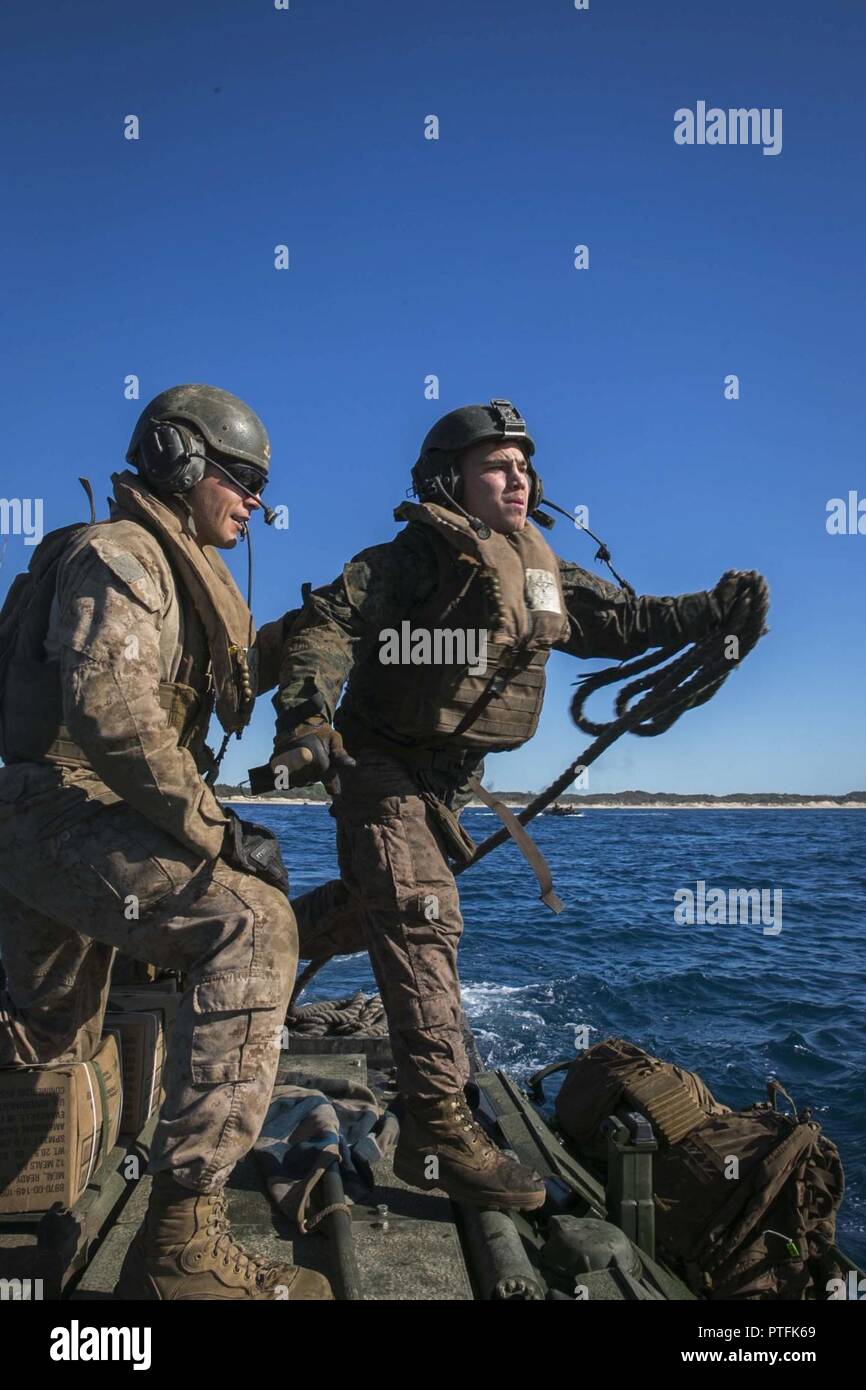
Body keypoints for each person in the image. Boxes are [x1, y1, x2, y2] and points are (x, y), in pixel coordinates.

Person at [269, 399, 764, 1211]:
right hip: (378, 765)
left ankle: (253, 941)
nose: (520, 475)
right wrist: (306, 718)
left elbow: (622, 620)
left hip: (446, 783)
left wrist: (712, 611)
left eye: (525, 464)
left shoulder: (538, 569)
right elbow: (330, 624)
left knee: (376, 907)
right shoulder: (412, 560)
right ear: (447, 479)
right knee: (424, 910)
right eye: (498, 464)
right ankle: (436, 1125)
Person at [0, 384, 331, 1300]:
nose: (257, 500)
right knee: (253, 926)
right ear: (182, 462)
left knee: (48, 1028)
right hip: (58, 808)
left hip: (48, 816)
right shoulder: (126, 551)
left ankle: (28, 1229)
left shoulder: (155, 562)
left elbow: (182, 681)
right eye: (243, 478)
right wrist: (216, 829)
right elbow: (108, 710)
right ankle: (181, 1246)